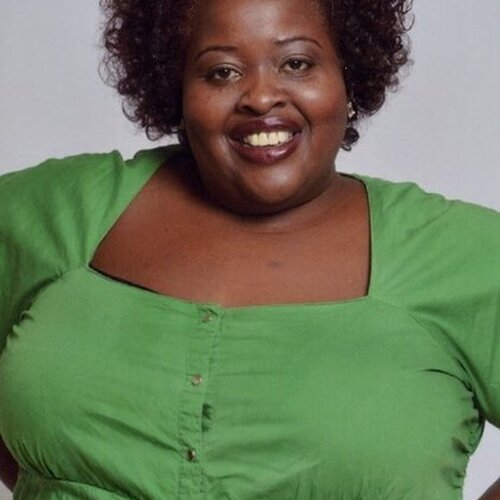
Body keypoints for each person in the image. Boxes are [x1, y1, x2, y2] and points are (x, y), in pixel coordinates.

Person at [0, 0, 499, 498]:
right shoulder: (59, 215)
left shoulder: (459, 255)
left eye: (297, 63)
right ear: (178, 90)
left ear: (348, 75)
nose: (260, 97)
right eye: (222, 72)